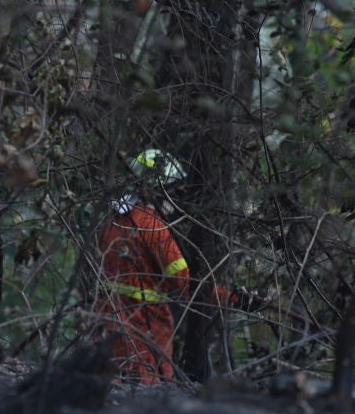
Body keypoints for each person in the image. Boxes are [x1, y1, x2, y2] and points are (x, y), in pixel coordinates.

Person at [96, 149, 244, 384]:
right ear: (157, 189)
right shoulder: (153, 226)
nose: (177, 195)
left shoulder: (112, 221)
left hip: (110, 329)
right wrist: (234, 298)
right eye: (174, 188)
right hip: (145, 335)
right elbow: (188, 286)